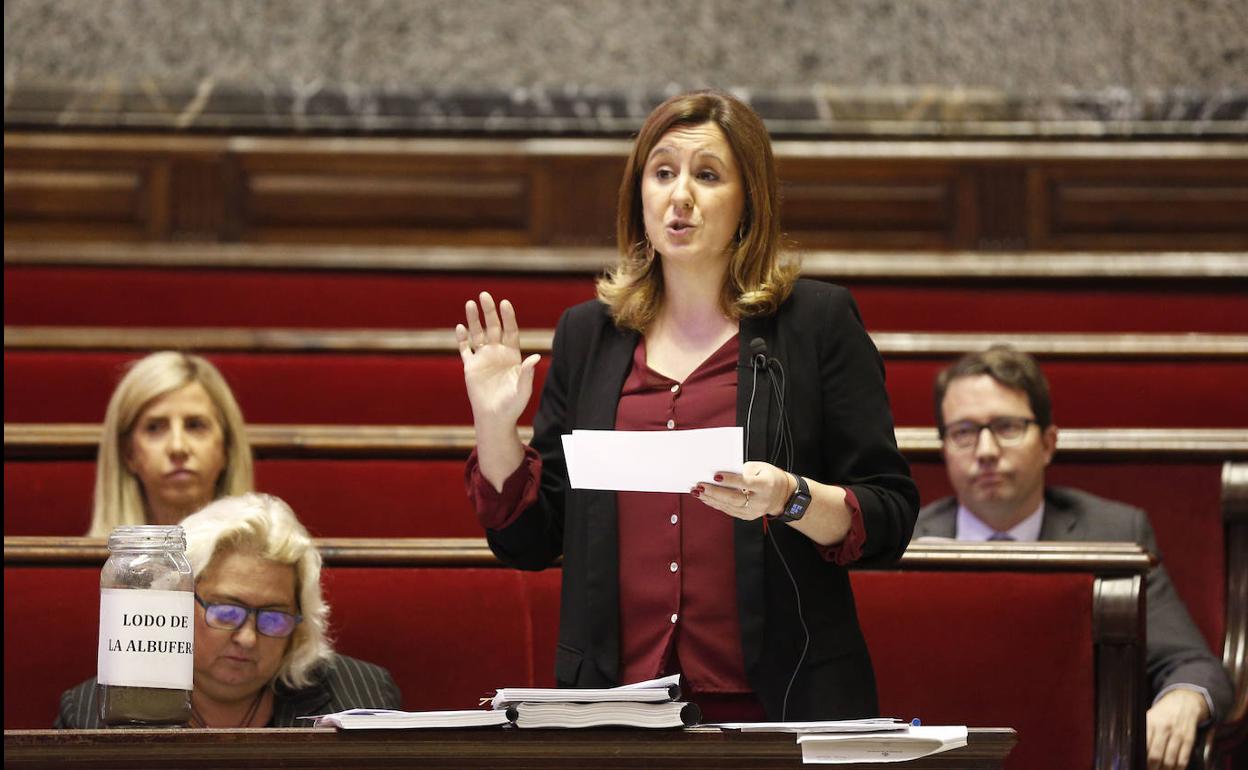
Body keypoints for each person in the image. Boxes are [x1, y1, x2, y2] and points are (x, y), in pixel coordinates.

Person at [457, 90, 918, 722]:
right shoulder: (589, 335)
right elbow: (532, 542)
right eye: (663, 172)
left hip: (781, 704)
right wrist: (494, 424)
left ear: (748, 200)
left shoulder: (816, 323)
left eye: (707, 175)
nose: (681, 195)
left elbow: (890, 515)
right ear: (638, 196)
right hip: (615, 709)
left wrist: (793, 497)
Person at [913, 345, 1232, 770]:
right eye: (964, 432)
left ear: (1048, 443)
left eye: (1006, 427)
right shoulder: (906, 543)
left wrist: (1183, 700)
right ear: (944, 449)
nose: (986, 450)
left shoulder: (1116, 534)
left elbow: (1190, 663)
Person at [57, 493, 401, 727]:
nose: (248, 638)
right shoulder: (91, 713)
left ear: (298, 626)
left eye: (273, 617)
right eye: (226, 611)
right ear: (176, 603)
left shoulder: (363, 697)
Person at [88, 351, 253, 537]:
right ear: (128, 453)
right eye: (155, 428)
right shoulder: (101, 565)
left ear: (227, 448)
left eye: (195, 425)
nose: (178, 447)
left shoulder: (264, 563)